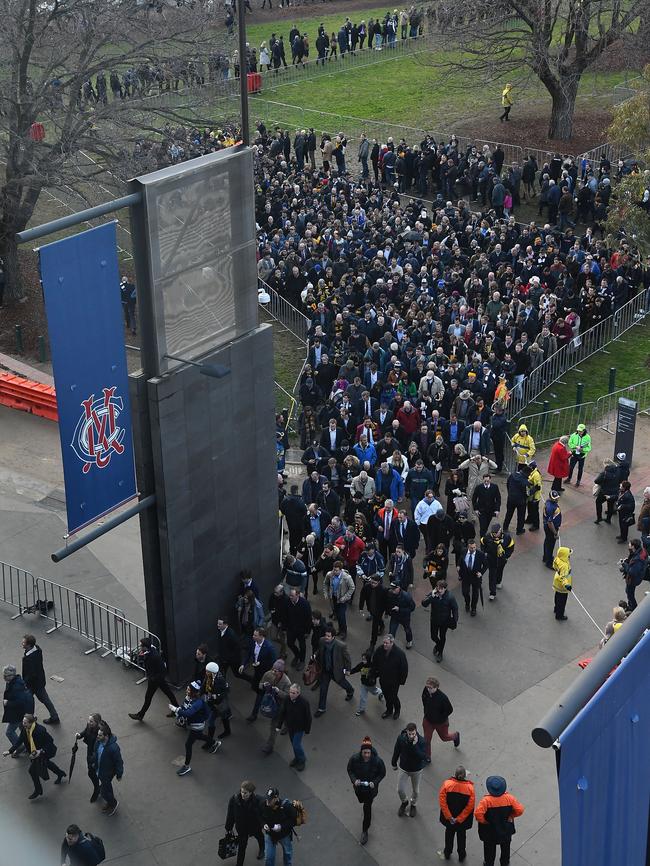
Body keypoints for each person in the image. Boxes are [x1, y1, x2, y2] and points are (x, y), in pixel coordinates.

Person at [3, 711, 66, 797]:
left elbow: (50, 741)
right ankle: (60, 773)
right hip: (35, 753)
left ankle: (38, 790)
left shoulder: (40, 731)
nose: (23, 724)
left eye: (25, 723)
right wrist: (10, 751)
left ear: (31, 723)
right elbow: (19, 740)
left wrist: (41, 751)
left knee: (32, 771)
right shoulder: (25, 730)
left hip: (43, 752)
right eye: (23, 722)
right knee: (47, 763)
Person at [475, 775, 525, 866]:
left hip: (490, 832)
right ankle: (505, 863)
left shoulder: (485, 801)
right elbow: (520, 810)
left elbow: (478, 814)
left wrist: (484, 821)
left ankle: (489, 863)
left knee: (489, 850)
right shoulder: (510, 798)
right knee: (506, 848)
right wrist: (511, 816)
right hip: (505, 830)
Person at [347, 736, 386, 845]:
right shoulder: (354, 759)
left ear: (371, 751)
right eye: (365, 752)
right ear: (361, 751)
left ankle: (365, 831)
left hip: (370, 791)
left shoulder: (377, 761)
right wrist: (354, 780)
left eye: (368, 752)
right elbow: (350, 770)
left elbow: (382, 773)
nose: (367, 755)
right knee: (361, 800)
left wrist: (375, 782)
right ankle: (364, 803)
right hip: (359, 789)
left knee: (367, 809)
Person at [128, 637, 178, 721]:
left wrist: (153, 678)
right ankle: (177, 709)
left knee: (149, 697)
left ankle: (140, 715)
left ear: (145, 647)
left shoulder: (155, 656)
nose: (140, 647)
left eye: (141, 646)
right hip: (155, 679)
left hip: (155, 680)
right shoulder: (149, 652)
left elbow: (162, 671)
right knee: (168, 693)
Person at [315, 623, 354, 716]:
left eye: (328, 636)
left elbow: (347, 658)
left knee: (343, 683)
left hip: (336, 670)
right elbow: (319, 650)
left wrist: (348, 669)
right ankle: (321, 708)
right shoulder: (322, 641)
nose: (326, 637)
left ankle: (350, 691)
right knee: (323, 689)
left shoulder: (341, 646)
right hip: (325, 670)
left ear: (333, 637)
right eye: (325, 635)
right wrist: (315, 655)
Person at [240, 628, 278, 722]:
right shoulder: (253, 643)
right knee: (256, 688)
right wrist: (243, 664)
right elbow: (249, 654)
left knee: (260, 694)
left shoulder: (269, 647)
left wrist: (260, 663)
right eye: (253, 635)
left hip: (265, 673)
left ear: (261, 636)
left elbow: (273, 662)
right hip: (257, 671)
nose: (253, 636)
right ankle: (268, 694)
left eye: (255, 635)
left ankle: (254, 714)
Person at [438, 766, 475, 863]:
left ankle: (447, 852)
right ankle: (461, 855)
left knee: (449, 835)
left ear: (455, 774)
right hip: (462, 822)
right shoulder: (470, 789)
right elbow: (469, 807)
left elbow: (443, 802)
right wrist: (459, 818)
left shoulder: (447, 784)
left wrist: (449, 817)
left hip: (449, 820)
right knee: (461, 836)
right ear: (464, 776)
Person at [21, 635, 60, 724]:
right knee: (44, 699)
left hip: (33, 684)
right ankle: (54, 716)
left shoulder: (30, 658)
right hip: (39, 681)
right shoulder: (37, 650)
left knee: (31, 700)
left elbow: (31, 674)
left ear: (29, 645)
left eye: (24, 642)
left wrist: (25, 682)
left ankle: (30, 719)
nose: (22, 644)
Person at [391, 721, 427, 817]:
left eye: (413, 734)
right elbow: (396, 750)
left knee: (416, 791)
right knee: (400, 789)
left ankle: (413, 804)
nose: (411, 736)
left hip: (416, 770)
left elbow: (423, 757)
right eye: (409, 733)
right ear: (406, 732)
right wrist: (393, 762)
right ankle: (404, 802)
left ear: (416, 732)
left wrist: (415, 746)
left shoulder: (421, 741)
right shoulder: (401, 739)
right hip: (404, 768)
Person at [225, 780, 265, 865]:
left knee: (259, 836)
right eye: (242, 791)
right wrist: (228, 828)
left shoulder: (257, 800)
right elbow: (230, 814)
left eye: (245, 793)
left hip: (254, 826)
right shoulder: (234, 799)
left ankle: (262, 849)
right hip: (242, 828)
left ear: (251, 793)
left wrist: (263, 824)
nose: (243, 794)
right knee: (242, 847)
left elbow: (263, 811)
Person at [421, 676, 460, 760]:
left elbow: (450, 710)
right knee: (426, 740)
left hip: (440, 723)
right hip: (428, 720)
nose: (428, 689)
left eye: (430, 688)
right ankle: (427, 756)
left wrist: (439, 717)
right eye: (427, 687)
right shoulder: (426, 691)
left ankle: (455, 736)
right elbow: (424, 699)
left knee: (444, 737)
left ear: (436, 687)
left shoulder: (443, 698)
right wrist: (426, 712)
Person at [371, 634, 408, 720]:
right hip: (383, 679)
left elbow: (404, 669)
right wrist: (373, 674)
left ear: (392, 643)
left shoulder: (400, 654)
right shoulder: (379, 650)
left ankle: (397, 710)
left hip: (394, 681)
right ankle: (389, 710)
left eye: (386, 643)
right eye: (384, 642)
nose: (384, 644)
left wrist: (401, 681)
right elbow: (375, 663)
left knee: (393, 696)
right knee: (387, 695)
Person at [276, 683, 311, 771]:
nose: (291, 694)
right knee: (294, 744)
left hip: (299, 728)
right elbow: (282, 712)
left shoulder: (304, 702)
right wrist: (279, 725)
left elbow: (308, 717)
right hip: (290, 726)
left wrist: (307, 729)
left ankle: (302, 760)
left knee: (296, 745)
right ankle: (297, 758)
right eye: (290, 692)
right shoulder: (287, 699)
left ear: (298, 693)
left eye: (293, 693)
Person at [421, 579, 458, 662]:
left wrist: (455, 620)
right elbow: (424, 603)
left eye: (441, 589)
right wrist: (431, 597)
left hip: (444, 621)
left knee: (442, 637)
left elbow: (455, 609)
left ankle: (440, 653)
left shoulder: (450, 597)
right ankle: (438, 645)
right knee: (433, 636)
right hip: (434, 620)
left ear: (445, 589)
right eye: (438, 588)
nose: (439, 590)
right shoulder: (433, 594)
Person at [3, 664, 34, 754]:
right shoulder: (13, 681)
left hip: (18, 713)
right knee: (23, 729)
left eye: (6, 676)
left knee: (9, 732)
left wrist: (7, 703)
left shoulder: (16, 686)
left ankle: (20, 747)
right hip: (21, 712)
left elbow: (20, 702)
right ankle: (28, 743)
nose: (4, 678)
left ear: (11, 675)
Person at [93, 721, 122, 815]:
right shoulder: (98, 742)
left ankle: (113, 803)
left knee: (105, 791)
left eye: (100, 735)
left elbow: (119, 762)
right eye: (98, 735)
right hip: (100, 770)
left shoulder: (113, 748)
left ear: (106, 736)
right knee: (104, 789)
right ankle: (109, 802)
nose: (97, 737)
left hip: (107, 773)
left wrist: (119, 774)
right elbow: (96, 753)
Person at [261, 787, 297, 866]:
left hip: (284, 835)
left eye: (270, 800)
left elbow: (293, 821)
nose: (267, 802)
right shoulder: (264, 804)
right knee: (268, 857)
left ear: (276, 798)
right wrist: (263, 824)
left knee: (287, 853)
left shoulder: (286, 806)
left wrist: (281, 826)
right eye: (267, 799)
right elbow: (261, 817)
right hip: (270, 834)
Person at [323, 560, 355, 639]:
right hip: (334, 598)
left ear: (341, 570)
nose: (334, 571)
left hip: (342, 599)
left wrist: (345, 598)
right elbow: (325, 583)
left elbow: (352, 588)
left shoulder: (347, 577)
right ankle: (340, 629)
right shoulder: (330, 575)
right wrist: (326, 593)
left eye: (336, 570)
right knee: (337, 614)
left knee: (341, 616)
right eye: (333, 569)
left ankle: (344, 631)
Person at [481, 524, 515, 600]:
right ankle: (492, 592)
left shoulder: (507, 537)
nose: (495, 535)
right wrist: (485, 553)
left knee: (500, 571)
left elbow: (511, 547)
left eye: (497, 533)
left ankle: (498, 581)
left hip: (502, 560)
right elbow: (482, 543)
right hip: (491, 560)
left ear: (500, 530)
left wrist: (506, 556)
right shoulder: (488, 537)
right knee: (492, 576)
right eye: (494, 533)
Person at [75, 712, 102, 802]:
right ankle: (98, 787)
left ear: (97, 723)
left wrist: (93, 760)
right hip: (89, 752)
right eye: (89, 720)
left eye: (91, 721)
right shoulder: (89, 725)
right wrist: (80, 735)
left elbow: (99, 748)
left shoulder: (100, 733)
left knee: (93, 772)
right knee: (91, 772)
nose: (89, 722)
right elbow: (85, 731)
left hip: (95, 755)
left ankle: (98, 788)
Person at [458, 539, 488, 616]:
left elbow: (486, 565)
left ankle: (473, 608)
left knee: (475, 594)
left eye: (474, 547)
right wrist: (458, 566)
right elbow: (460, 559)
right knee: (465, 592)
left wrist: (481, 573)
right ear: (468, 547)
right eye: (471, 548)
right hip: (466, 576)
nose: (473, 549)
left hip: (476, 577)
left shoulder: (480, 554)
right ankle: (467, 603)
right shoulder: (463, 551)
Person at [350, 648, 384, 715]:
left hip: (371, 684)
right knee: (362, 697)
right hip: (364, 684)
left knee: (374, 691)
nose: (363, 661)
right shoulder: (361, 665)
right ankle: (361, 709)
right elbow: (355, 669)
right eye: (362, 659)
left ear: (368, 659)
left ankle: (380, 692)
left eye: (364, 659)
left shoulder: (373, 666)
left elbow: (379, 673)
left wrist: (373, 676)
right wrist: (349, 672)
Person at [285, 588, 312, 671]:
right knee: (289, 643)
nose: (290, 597)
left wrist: (307, 631)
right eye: (290, 595)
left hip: (301, 630)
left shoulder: (305, 604)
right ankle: (297, 655)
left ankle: (302, 661)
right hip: (291, 628)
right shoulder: (288, 602)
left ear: (297, 595)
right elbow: (285, 614)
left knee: (302, 646)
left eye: (292, 596)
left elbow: (308, 618)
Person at [472, 474, 501, 539]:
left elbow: (498, 499)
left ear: (490, 480)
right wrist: (476, 509)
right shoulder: (478, 487)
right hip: (481, 510)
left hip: (491, 510)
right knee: (482, 526)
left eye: (487, 481)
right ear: (483, 480)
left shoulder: (495, 487)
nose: (486, 482)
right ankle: (482, 539)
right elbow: (474, 499)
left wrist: (497, 510)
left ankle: (484, 534)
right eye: (485, 481)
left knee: (486, 525)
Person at [621, 538, 646, 611]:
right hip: (637, 577)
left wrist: (624, 565)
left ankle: (633, 608)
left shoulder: (638, 559)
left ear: (633, 546)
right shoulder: (641, 551)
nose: (628, 545)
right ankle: (631, 605)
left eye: (630, 544)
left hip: (633, 579)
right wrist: (628, 561)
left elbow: (632, 572)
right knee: (628, 591)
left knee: (630, 593)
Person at [387, 582, 416, 647]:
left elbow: (412, 608)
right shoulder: (390, 593)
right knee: (391, 632)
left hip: (404, 617)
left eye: (394, 588)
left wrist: (400, 609)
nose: (392, 590)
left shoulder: (406, 596)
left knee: (407, 630)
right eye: (392, 588)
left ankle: (409, 640)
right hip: (395, 616)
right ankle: (390, 645)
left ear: (399, 588)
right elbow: (388, 603)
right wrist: (387, 612)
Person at [593, 459, 620, 524]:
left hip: (604, 492)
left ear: (606, 465)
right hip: (614, 492)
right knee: (610, 506)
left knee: (598, 502)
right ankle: (608, 519)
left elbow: (596, 481)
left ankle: (599, 518)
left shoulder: (604, 473)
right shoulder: (618, 471)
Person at [542, 490, 562, 567]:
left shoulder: (548, 503)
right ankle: (549, 562)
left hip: (547, 527)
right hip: (551, 528)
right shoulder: (551, 507)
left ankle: (545, 557)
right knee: (550, 545)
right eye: (555, 498)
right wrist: (555, 533)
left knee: (547, 541)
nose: (557, 499)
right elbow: (550, 522)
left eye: (557, 497)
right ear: (551, 498)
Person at [552, 546, 573, 621]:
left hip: (556, 582)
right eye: (568, 555)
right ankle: (559, 615)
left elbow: (554, 566)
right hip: (562, 586)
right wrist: (567, 585)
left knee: (557, 596)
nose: (569, 556)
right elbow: (563, 577)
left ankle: (556, 608)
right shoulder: (564, 565)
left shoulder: (558, 559)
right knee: (562, 601)